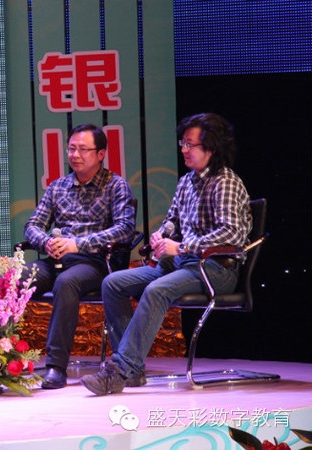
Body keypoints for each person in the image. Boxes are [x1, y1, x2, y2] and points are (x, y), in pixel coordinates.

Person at [81, 112, 252, 396]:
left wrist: (182, 247)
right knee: (113, 283)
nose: (183, 149)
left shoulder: (225, 182)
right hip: (183, 264)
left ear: (211, 148)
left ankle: (120, 371)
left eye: (190, 144)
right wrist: (162, 235)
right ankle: (133, 370)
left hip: (216, 268)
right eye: (182, 143)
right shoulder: (187, 182)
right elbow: (173, 220)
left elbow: (231, 234)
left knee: (157, 290)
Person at [23, 123, 136, 389]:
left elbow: (125, 229)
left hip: (94, 262)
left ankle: (55, 366)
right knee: (18, 277)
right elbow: (32, 225)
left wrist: (78, 244)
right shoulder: (58, 187)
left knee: (67, 282)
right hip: (56, 259)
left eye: (83, 149)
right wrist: (47, 242)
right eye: (71, 149)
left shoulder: (116, 186)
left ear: (100, 154)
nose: (75, 155)